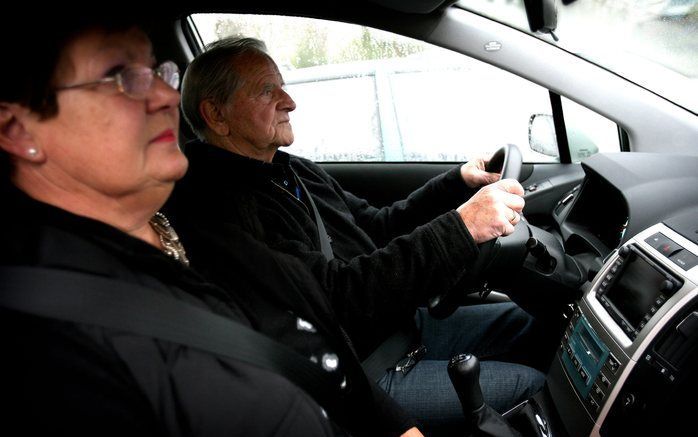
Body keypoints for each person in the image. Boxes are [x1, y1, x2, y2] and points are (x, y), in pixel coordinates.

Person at [0, 14, 422, 437]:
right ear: (18, 130)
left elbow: (312, 344)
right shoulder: (48, 338)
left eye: (160, 73)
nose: (166, 95)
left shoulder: (199, 232)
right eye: (120, 76)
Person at [173, 36, 558, 434]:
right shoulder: (224, 209)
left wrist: (457, 182)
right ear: (217, 115)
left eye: (283, 86)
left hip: (405, 326)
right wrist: (462, 227)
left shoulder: (293, 170)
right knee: (532, 387)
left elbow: (378, 227)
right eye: (267, 91)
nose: (290, 101)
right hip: (367, 370)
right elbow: (336, 297)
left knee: (532, 326)